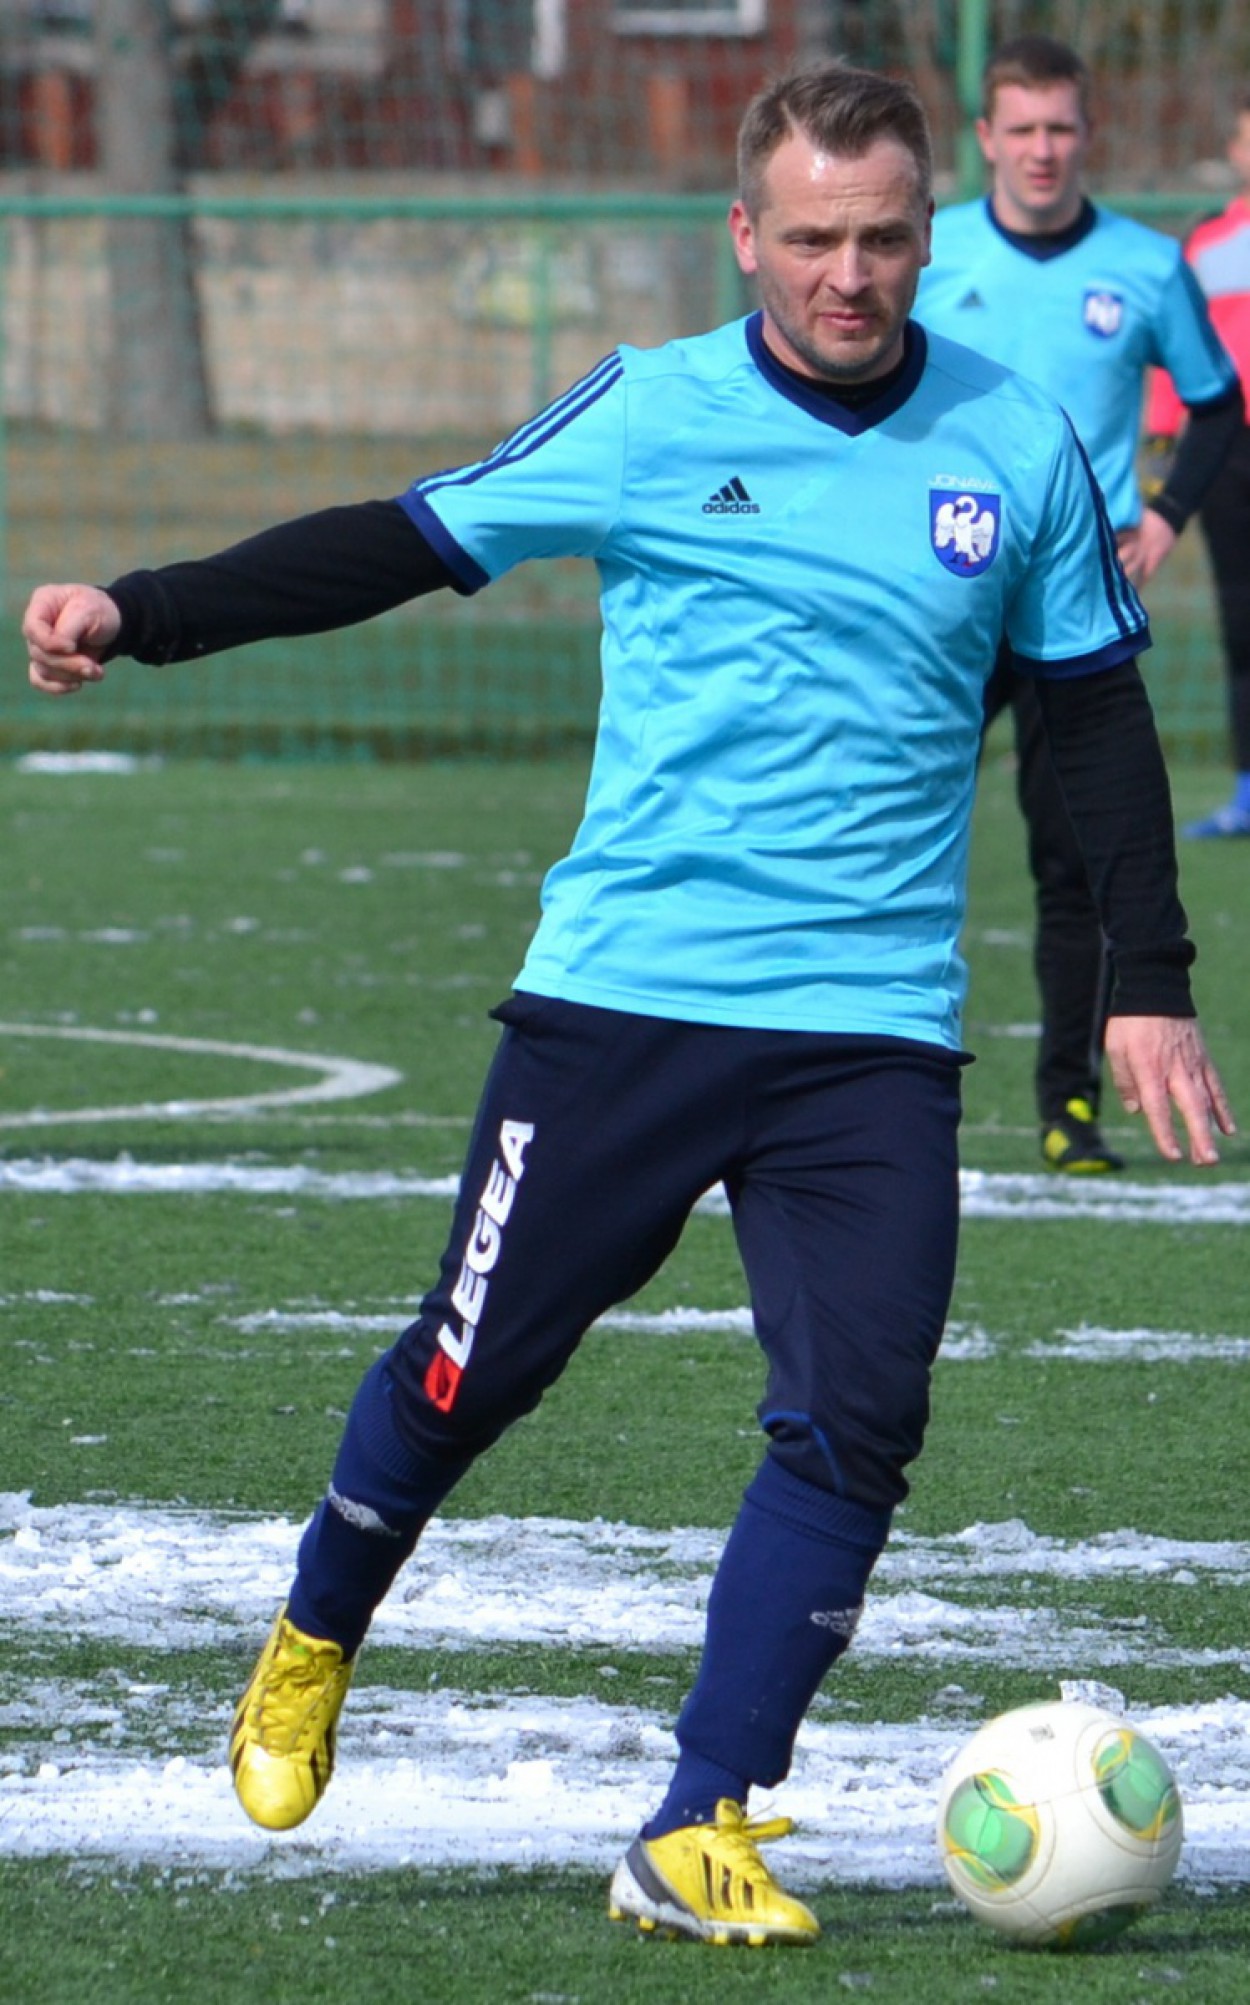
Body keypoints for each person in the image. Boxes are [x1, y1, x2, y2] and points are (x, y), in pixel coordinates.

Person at [23, 60, 1234, 1952]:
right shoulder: (654, 411)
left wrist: (1145, 985)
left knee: (855, 1424)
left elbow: (1091, 723)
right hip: (623, 1010)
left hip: (870, 1033)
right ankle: (320, 1619)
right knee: (466, 1374)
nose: (850, 275)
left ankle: (697, 1821)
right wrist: (144, 609)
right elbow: (404, 538)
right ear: (744, 234)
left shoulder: (1014, 442)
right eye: (813, 239)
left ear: (927, 237)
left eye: (883, 239)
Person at [918, 34, 1243, 1174]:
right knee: (887, 832)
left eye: (1060, 127)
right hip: (945, 595)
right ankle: (843, 1076)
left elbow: (1215, 402)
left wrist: (1162, 517)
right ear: (986, 139)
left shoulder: (1147, 266)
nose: (1042, 149)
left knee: (1074, 868)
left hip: (1071, 605)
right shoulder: (932, 252)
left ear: (1086, 134)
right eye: (1022, 129)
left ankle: (1067, 1105)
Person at [1146, 91, 1250, 839]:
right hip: (1228, 447)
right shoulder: (1206, 244)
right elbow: (1177, 347)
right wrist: (1161, 433)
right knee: (1241, 619)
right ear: (1237, 151)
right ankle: (1246, 793)